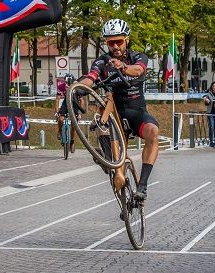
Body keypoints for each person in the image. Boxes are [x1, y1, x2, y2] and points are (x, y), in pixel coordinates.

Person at [79, 18, 159, 200]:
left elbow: (138, 70)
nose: (115, 46)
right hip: (114, 115)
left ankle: (143, 186)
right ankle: (111, 167)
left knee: (153, 132)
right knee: (118, 175)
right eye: (110, 42)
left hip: (136, 112)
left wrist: (123, 67)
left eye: (119, 41)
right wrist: (75, 89)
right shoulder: (102, 62)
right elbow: (90, 79)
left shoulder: (137, 57)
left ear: (126, 40)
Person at [55, 74, 82, 153]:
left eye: (69, 84)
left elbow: (82, 101)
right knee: (61, 119)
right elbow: (57, 99)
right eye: (66, 83)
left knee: (74, 125)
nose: (68, 85)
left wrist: (79, 112)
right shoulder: (61, 86)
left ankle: (72, 142)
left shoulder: (76, 87)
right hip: (66, 103)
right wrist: (57, 112)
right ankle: (60, 131)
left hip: (75, 103)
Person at [202, 82, 215, 147]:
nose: (214, 87)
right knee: (211, 127)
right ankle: (211, 141)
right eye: (213, 86)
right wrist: (206, 99)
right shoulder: (209, 94)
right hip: (211, 113)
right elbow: (205, 97)